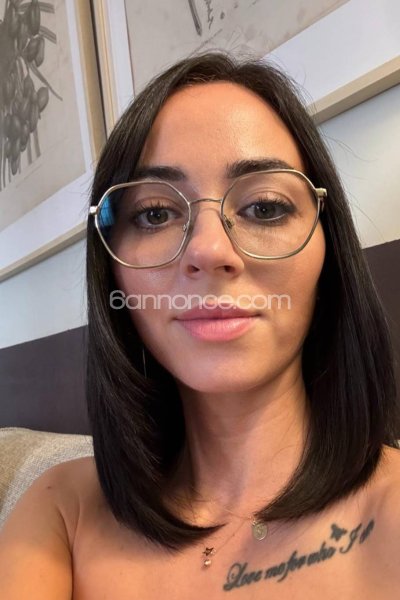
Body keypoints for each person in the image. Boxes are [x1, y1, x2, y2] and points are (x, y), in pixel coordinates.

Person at [1, 50, 400, 599]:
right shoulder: (62, 511)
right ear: (112, 272)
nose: (209, 251)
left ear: (327, 251)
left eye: (264, 207)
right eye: (155, 214)